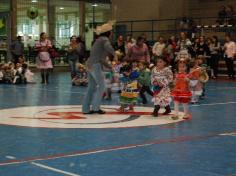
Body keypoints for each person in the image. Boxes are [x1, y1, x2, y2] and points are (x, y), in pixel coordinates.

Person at [82, 21, 116, 114]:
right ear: (109, 32)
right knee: (102, 86)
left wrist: (110, 66)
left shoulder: (99, 40)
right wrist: (115, 54)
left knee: (91, 87)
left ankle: (85, 109)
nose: (112, 33)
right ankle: (96, 108)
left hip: (89, 64)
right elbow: (108, 47)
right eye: (111, 31)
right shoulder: (104, 39)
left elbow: (101, 59)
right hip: (95, 65)